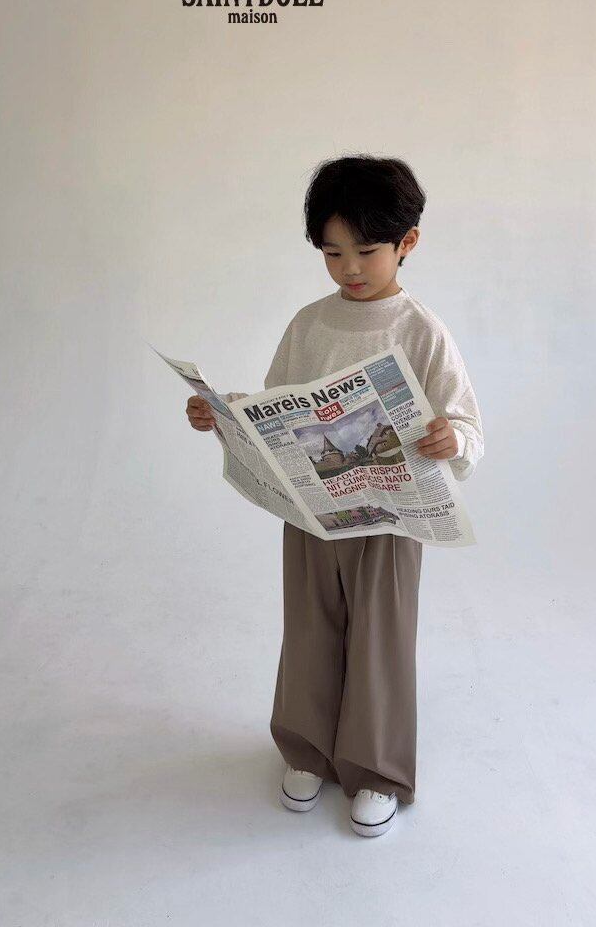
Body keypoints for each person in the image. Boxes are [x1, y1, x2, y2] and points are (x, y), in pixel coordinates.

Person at [185, 155, 484, 837]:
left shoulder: (420, 329)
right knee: (310, 626)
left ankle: (376, 769)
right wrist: (224, 414)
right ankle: (307, 749)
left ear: (407, 242)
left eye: (367, 251)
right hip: (312, 512)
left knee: (379, 636)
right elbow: (275, 407)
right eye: (331, 253)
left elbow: (465, 422)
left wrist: (451, 439)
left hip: (390, 517)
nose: (349, 268)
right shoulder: (310, 324)